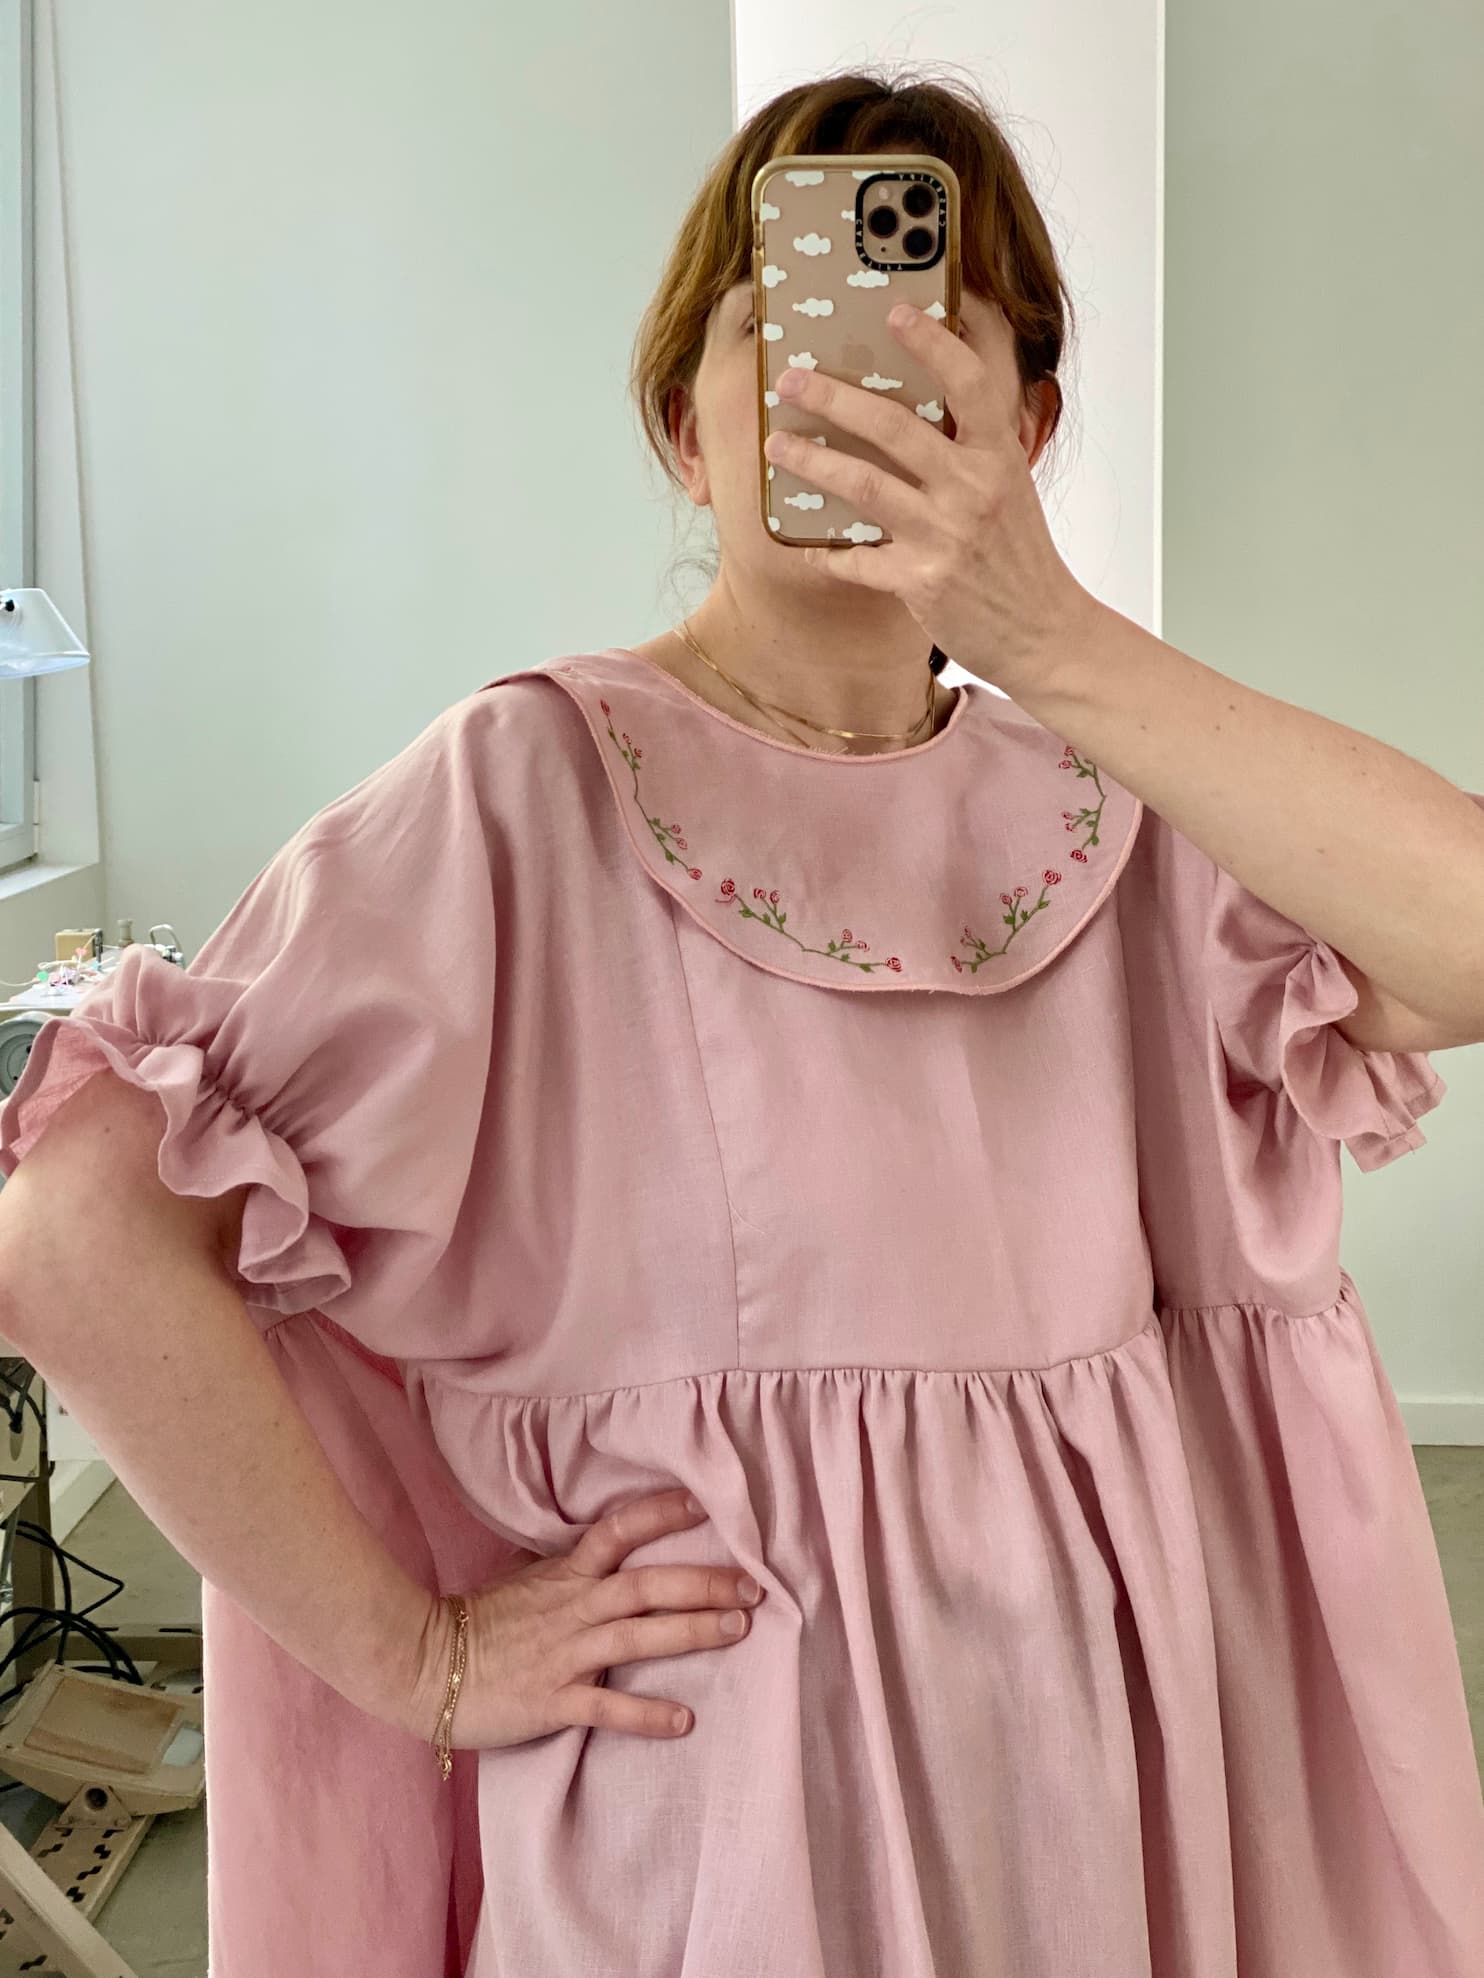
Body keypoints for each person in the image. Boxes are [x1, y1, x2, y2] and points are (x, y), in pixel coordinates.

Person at [1, 66, 1482, 1978]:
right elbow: (74, 1227)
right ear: (682, 435)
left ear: (1025, 426)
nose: (854, 380)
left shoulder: (1124, 819)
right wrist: (418, 1654)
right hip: (717, 1817)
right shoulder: (519, 795)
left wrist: (1043, 631)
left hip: (1094, 1786)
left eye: (931, 334)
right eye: (784, 323)